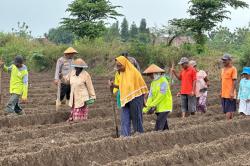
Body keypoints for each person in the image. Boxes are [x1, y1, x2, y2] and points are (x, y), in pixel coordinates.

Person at [109, 56, 148, 137]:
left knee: (136, 119)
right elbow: (123, 86)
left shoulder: (134, 73)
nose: (118, 68)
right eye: (117, 66)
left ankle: (139, 136)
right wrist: (113, 85)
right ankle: (124, 136)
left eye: (120, 66)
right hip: (125, 98)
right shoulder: (122, 73)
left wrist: (143, 99)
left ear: (125, 64)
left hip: (136, 98)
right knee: (124, 118)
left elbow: (141, 85)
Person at [142, 64, 172, 131]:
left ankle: (157, 133)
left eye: (151, 74)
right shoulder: (153, 83)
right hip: (158, 108)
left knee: (159, 125)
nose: (150, 76)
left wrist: (152, 104)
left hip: (165, 106)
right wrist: (145, 109)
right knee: (164, 127)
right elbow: (150, 96)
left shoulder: (163, 81)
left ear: (155, 73)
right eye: (149, 75)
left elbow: (161, 95)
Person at [220, 54, 237, 120]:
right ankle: (230, 122)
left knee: (228, 110)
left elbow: (234, 81)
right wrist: (221, 91)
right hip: (224, 93)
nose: (223, 61)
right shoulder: (222, 69)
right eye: (223, 60)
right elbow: (222, 81)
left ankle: (227, 123)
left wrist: (232, 92)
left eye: (225, 60)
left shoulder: (233, 69)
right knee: (228, 110)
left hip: (230, 94)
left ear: (229, 60)